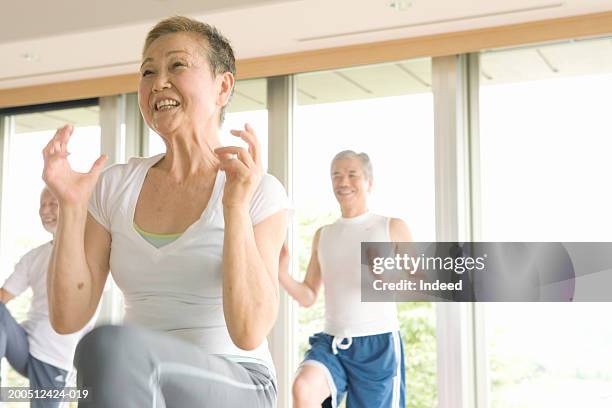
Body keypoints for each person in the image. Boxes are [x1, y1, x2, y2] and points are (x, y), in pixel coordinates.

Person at [42, 16, 287, 407]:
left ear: (223, 87)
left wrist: (235, 206)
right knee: (105, 353)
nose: (158, 82)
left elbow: (250, 331)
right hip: (136, 382)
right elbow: (68, 317)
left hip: (241, 382)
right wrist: (72, 208)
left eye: (177, 65)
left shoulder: (258, 190)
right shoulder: (115, 185)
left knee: (111, 347)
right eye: (147, 71)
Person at [279, 150, 412, 408]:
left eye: (352, 175)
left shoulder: (392, 227)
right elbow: (308, 295)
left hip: (378, 346)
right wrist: (281, 273)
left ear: (369, 182)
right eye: (336, 175)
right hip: (333, 343)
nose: (343, 182)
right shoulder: (324, 234)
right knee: (303, 388)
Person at [0, 187, 97, 407]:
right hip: (25, 346)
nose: (45, 210)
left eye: (53, 204)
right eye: (42, 204)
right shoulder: (33, 257)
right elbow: (3, 297)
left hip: (56, 357)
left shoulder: (89, 252)